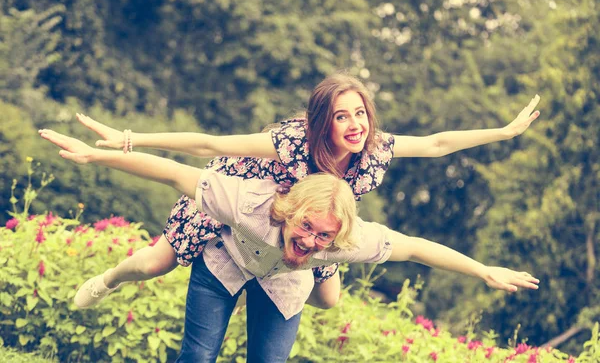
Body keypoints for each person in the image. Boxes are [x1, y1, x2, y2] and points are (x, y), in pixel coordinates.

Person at [39, 129, 539, 362]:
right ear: (288, 211)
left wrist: (484, 271)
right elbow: (173, 169)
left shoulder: (343, 239)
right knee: (196, 349)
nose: (310, 239)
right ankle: (106, 279)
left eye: (323, 236)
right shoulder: (251, 199)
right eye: (306, 229)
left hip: (286, 280)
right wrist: (96, 157)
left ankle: (320, 275)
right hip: (229, 255)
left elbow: (416, 247)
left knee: (312, 313)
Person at [55, 73, 541, 311]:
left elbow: (437, 144)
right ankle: (109, 280)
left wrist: (501, 133)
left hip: (310, 230)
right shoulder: (291, 141)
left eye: (362, 113)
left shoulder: (374, 149)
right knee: (152, 264)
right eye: (341, 115)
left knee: (329, 300)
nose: (355, 125)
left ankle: (256, 276)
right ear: (322, 122)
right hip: (245, 206)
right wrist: (128, 140)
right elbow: (209, 143)